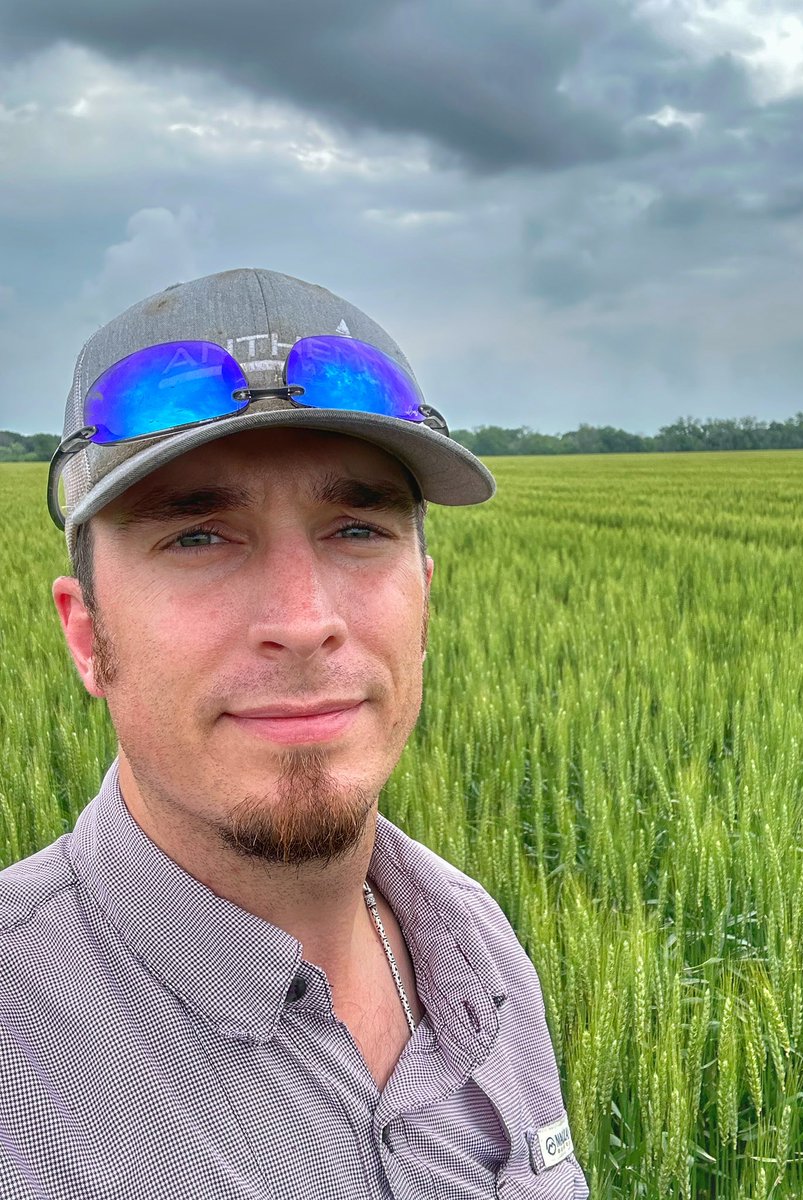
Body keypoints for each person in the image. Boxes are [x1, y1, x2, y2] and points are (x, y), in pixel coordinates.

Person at [0, 269, 589, 1200]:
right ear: (87, 635)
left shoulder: (473, 938)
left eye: (356, 528)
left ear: (425, 602)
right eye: (197, 537)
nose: (304, 618)